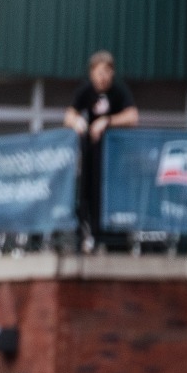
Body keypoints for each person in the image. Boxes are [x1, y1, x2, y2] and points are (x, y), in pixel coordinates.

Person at [63, 50, 138, 241]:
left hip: (114, 160)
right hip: (90, 156)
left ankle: (112, 238)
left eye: (106, 71)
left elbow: (132, 116)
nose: (102, 76)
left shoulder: (119, 92)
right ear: (92, 73)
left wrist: (107, 121)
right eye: (99, 72)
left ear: (112, 73)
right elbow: (68, 116)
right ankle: (87, 235)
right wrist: (77, 121)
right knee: (87, 194)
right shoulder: (85, 91)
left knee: (109, 197)